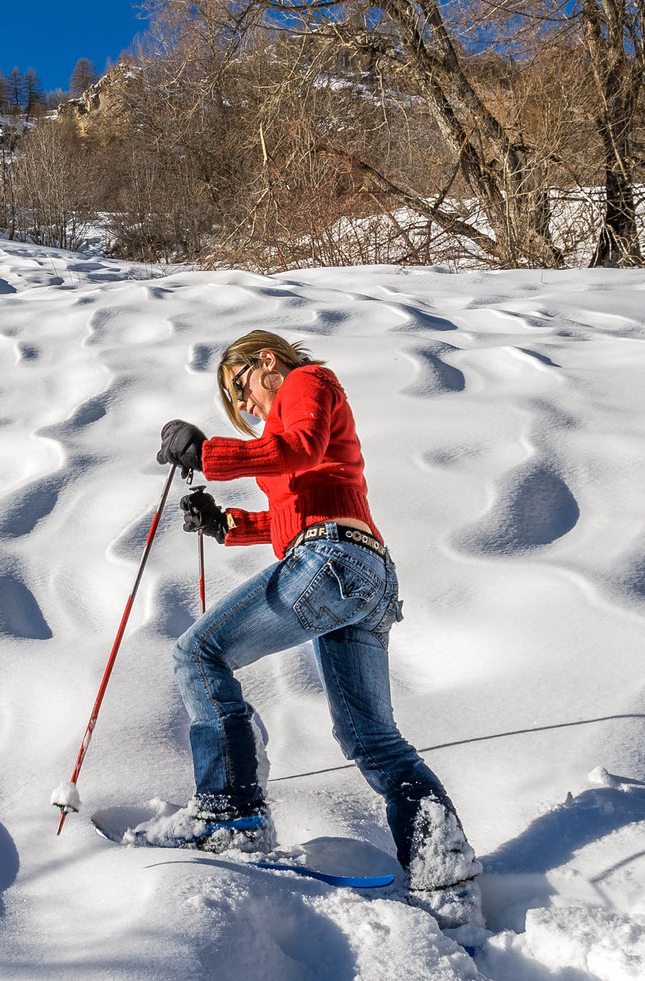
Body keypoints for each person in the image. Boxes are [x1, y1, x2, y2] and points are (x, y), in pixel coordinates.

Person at [141, 327, 482, 933]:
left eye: (241, 389)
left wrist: (209, 454)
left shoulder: (307, 380)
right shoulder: (298, 422)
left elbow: (297, 450)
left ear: (265, 361)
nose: (246, 406)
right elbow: (295, 509)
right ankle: (444, 872)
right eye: (236, 403)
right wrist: (226, 524)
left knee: (198, 652)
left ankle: (228, 813)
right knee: (371, 738)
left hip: (332, 560)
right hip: (363, 573)